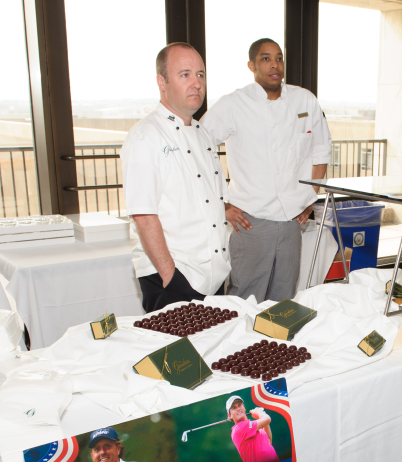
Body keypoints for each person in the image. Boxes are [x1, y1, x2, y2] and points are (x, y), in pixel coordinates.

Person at [201, 38, 332, 302]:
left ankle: (275, 345)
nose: (275, 65)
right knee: (243, 300)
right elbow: (199, 145)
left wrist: (310, 198)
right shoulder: (234, 104)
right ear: (252, 65)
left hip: (292, 221)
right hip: (251, 221)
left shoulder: (304, 100)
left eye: (279, 58)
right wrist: (222, 204)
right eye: (266, 58)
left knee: (283, 299)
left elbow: (321, 150)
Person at [121, 42, 231, 312]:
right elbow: (144, 216)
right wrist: (171, 278)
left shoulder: (202, 133)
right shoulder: (145, 137)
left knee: (214, 352)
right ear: (162, 81)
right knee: (177, 355)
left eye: (201, 75)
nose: (196, 83)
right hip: (175, 278)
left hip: (212, 278)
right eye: (185, 74)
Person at [226, 395, 279, 462]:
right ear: (230, 416)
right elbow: (267, 419)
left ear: (244, 407)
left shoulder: (254, 427)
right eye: (234, 408)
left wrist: (262, 416)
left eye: (239, 405)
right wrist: (260, 414)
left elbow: (269, 441)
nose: (238, 408)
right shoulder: (238, 429)